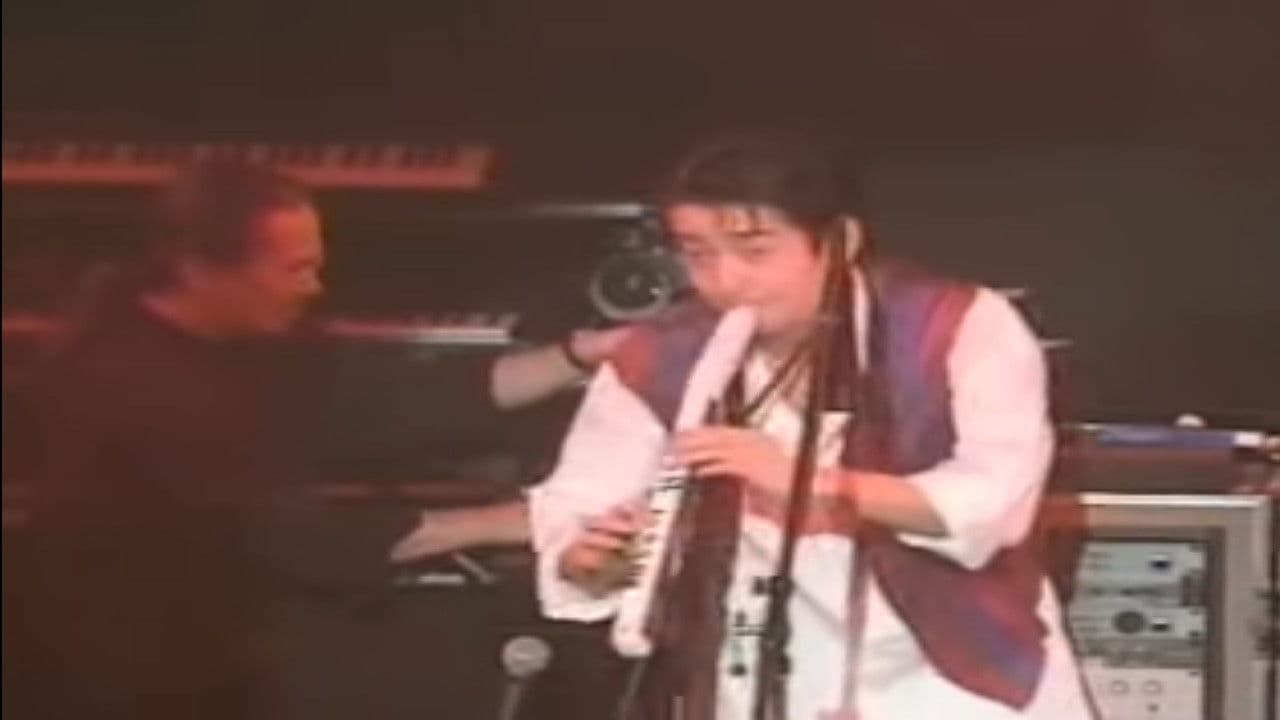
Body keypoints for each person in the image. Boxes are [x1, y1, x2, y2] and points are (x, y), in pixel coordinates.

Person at [25, 159, 625, 720]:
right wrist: (520, 520)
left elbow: (389, 400)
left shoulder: (240, 335)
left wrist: (582, 355)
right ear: (202, 269)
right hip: (156, 663)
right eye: (294, 269)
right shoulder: (134, 389)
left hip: (238, 619)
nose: (314, 286)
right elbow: (291, 540)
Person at [527, 131, 1094, 719]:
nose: (725, 279)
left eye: (755, 252)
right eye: (697, 253)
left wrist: (813, 481)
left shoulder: (957, 324)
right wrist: (595, 562)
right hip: (762, 670)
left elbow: (993, 501)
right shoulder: (662, 352)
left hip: (949, 681)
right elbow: (579, 500)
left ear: (840, 241)